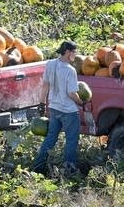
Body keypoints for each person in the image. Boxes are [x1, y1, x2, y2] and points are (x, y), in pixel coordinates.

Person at [31, 40, 84, 176]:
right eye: (74, 52)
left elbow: (45, 85)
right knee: (71, 141)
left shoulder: (50, 64)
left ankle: (38, 166)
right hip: (69, 111)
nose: (75, 55)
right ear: (67, 52)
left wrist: (41, 104)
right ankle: (69, 170)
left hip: (54, 108)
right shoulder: (70, 70)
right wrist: (81, 102)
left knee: (51, 138)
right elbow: (71, 93)